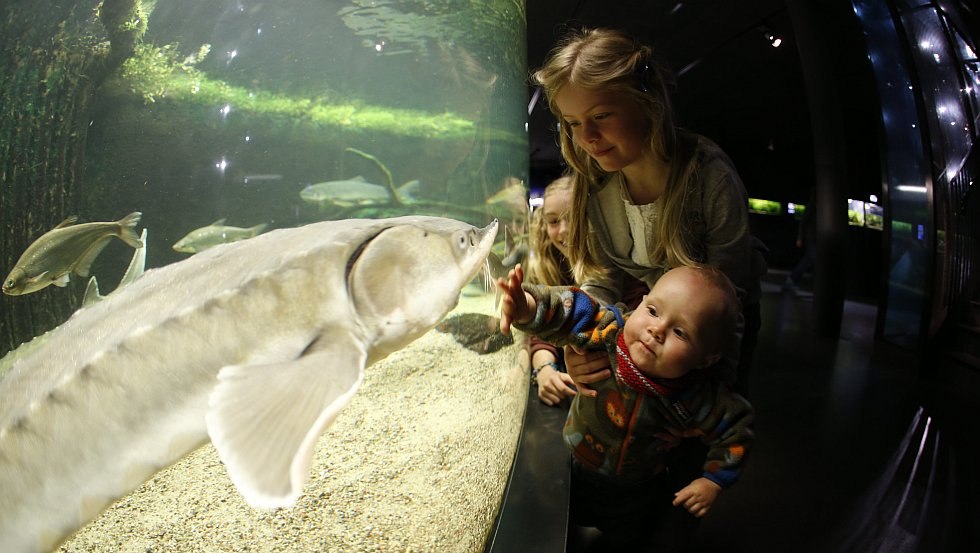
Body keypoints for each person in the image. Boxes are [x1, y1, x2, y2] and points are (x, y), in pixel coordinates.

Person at [531, 27, 767, 397]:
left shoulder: (709, 175)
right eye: (573, 122)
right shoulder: (595, 182)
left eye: (601, 115)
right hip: (655, 325)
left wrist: (717, 398)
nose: (587, 136)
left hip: (713, 333)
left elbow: (727, 302)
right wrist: (580, 344)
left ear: (647, 102)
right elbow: (603, 279)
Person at [498, 263, 754, 551]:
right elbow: (571, 308)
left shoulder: (697, 396)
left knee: (626, 541)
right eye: (653, 311)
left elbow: (736, 431)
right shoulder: (608, 333)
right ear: (642, 302)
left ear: (707, 359)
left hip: (637, 492)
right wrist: (527, 306)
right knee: (561, 526)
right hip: (573, 467)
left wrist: (713, 480)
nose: (657, 330)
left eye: (680, 332)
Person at [525, 176, 578, 406]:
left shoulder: (619, 266)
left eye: (572, 218)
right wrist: (545, 370)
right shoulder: (546, 269)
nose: (564, 230)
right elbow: (540, 330)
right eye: (554, 221)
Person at [784, 188, 816, 293]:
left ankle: (791, 280)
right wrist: (800, 237)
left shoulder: (816, 207)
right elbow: (803, 222)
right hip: (811, 238)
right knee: (811, 260)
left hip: (813, 238)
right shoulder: (812, 206)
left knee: (809, 260)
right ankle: (791, 280)